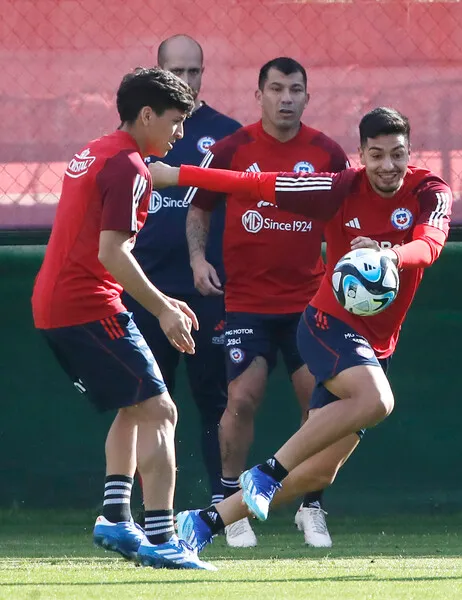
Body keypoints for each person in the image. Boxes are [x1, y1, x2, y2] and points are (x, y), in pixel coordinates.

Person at [148, 106, 452, 552]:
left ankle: (203, 522)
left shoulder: (429, 190)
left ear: (410, 153)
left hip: (376, 344)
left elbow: (430, 244)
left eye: (397, 155)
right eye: (377, 155)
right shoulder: (336, 189)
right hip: (328, 323)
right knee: (377, 399)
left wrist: (391, 256)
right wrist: (176, 175)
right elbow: (253, 183)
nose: (388, 165)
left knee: (316, 471)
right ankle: (266, 473)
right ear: (361, 156)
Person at [31, 67, 213, 570]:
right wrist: (164, 308)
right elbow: (112, 251)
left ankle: (115, 516)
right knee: (162, 412)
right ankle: (161, 538)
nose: (180, 133)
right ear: (147, 114)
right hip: (86, 306)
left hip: (59, 304)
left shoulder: (98, 149)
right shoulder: (129, 167)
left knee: (134, 407)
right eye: (175, 122)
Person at [185, 56, 350, 548]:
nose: (285, 98)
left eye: (295, 89)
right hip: (246, 302)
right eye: (276, 89)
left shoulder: (327, 153)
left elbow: (348, 213)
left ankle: (311, 507)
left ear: (306, 95)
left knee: (320, 407)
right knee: (241, 398)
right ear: (258, 95)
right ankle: (229, 505)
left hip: (310, 303)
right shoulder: (232, 148)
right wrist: (197, 259)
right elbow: (198, 207)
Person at [124, 34, 241, 513]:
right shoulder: (137, 134)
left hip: (207, 292)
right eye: (177, 72)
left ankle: (224, 505)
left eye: (195, 72)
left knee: (217, 399)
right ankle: (140, 511)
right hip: (146, 290)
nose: (187, 82)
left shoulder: (227, 134)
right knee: (144, 403)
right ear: (157, 71)